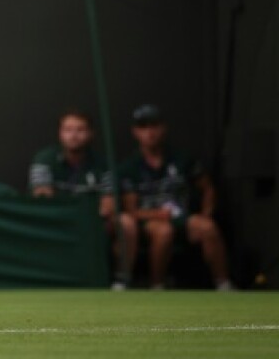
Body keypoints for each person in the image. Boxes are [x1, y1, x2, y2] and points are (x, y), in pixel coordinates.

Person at [118, 104, 233, 290]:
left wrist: (206, 213)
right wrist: (155, 214)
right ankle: (157, 286)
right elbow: (131, 211)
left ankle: (224, 284)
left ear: (163, 128)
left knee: (207, 227)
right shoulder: (128, 167)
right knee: (164, 232)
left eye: (154, 126)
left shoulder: (182, 158)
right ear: (135, 132)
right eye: (143, 127)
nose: (150, 132)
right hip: (149, 221)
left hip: (181, 216)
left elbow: (207, 187)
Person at [29, 109, 137, 290]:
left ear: (90, 133)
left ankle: (121, 281)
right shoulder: (44, 159)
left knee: (126, 223)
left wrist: (91, 215)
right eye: (68, 129)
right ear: (60, 133)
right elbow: (42, 199)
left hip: (94, 222)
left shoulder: (103, 163)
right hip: (56, 223)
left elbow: (108, 204)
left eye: (80, 130)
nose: (74, 135)